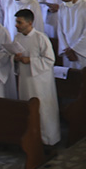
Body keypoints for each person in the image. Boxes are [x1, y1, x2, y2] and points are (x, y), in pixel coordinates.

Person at [12, 9, 61, 145]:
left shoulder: (41, 38)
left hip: (40, 83)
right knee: (27, 109)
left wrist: (31, 60)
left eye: (19, 22)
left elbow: (50, 60)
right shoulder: (17, 38)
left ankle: (48, 140)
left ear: (29, 22)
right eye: (16, 22)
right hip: (24, 80)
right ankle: (30, 139)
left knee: (43, 110)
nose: (16, 25)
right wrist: (15, 59)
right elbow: (15, 56)